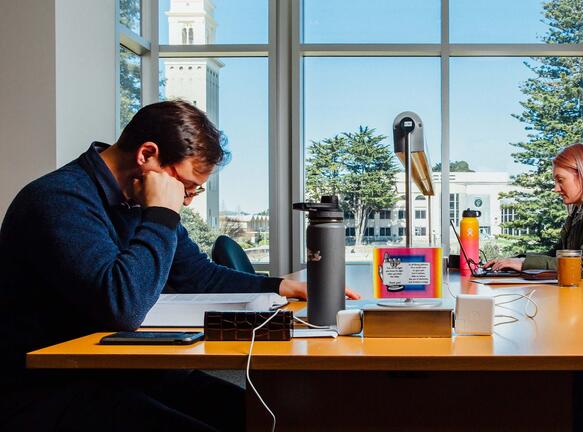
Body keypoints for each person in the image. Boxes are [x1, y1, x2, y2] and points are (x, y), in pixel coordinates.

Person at [0, 100, 359, 431]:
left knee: (269, 418)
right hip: (51, 388)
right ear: (147, 155)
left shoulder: (136, 199)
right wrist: (161, 213)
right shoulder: (59, 200)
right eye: (187, 186)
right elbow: (122, 307)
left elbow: (196, 275)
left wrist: (280, 286)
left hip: (122, 370)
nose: (185, 200)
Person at [483, 143, 583, 291]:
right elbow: (557, 254)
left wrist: (524, 263)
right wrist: (515, 260)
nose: (556, 188)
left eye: (561, 180)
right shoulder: (581, 208)